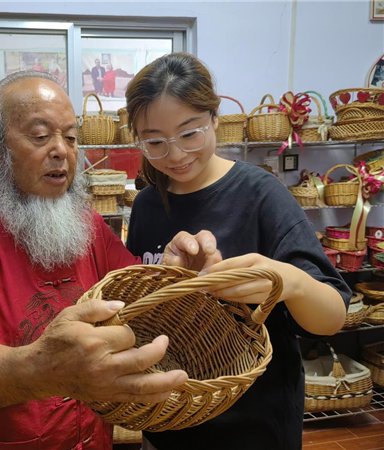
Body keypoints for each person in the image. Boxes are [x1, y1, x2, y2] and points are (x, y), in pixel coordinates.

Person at [0, 70, 222, 450]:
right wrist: (44, 370)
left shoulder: (85, 225)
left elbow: (136, 296)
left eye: (71, 138)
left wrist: (170, 274)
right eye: (41, 136)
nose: (61, 149)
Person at [125, 53, 351, 450]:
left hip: (254, 426)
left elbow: (332, 316)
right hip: (169, 421)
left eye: (189, 133)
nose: (175, 155)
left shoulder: (262, 195)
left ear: (214, 118)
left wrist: (287, 282)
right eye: (155, 142)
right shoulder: (146, 205)